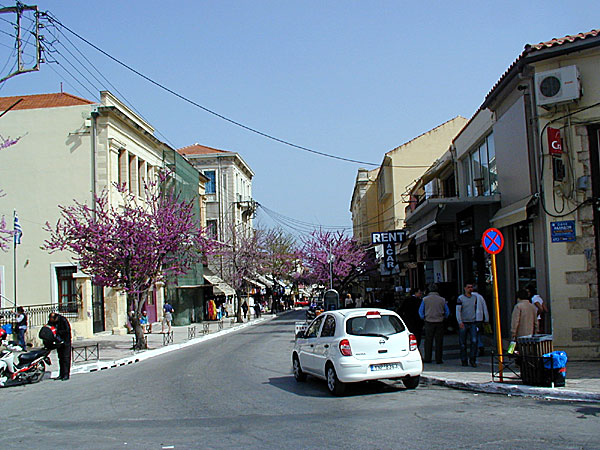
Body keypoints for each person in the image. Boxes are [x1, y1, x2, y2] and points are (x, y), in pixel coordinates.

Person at [419, 283, 450, 364]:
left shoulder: (425, 299)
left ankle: (427, 358)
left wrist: (424, 318)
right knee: (439, 341)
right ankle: (438, 359)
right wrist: (443, 317)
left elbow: (420, 311)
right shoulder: (442, 299)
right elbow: (447, 312)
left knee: (428, 341)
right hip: (439, 322)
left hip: (429, 321)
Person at [456, 282, 479, 367]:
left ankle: (472, 359)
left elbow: (476, 308)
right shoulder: (460, 298)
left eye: (471, 287)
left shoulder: (475, 298)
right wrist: (460, 321)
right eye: (468, 287)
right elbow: (458, 311)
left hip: (472, 321)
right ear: (465, 288)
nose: (470, 289)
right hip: (464, 322)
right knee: (463, 343)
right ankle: (464, 360)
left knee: (474, 341)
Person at [48, 312, 72, 381]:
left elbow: (67, 330)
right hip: (58, 342)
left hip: (65, 341)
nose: (51, 321)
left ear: (55, 318)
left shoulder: (63, 320)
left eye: (52, 319)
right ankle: (61, 374)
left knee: (66, 358)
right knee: (60, 358)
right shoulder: (52, 322)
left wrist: (57, 332)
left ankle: (66, 374)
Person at [472, 285, 490, 356]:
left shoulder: (468, 297)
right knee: (478, 333)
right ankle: (480, 345)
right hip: (479, 318)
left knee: (473, 334)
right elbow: (485, 308)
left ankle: (476, 347)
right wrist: (486, 319)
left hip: (471, 319)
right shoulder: (480, 297)